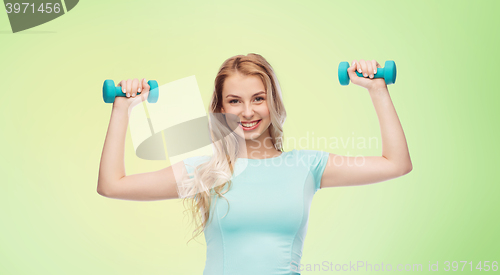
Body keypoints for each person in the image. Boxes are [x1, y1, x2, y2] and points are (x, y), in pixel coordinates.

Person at [97, 53, 412, 275]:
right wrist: (123, 109)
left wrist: (377, 89)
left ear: (273, 101)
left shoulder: (306, 165)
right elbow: (112, 185)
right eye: (235, 101)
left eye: (258, 99)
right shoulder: (206, 171)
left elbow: (396, 163)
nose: (247, 112)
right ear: (220, 107)